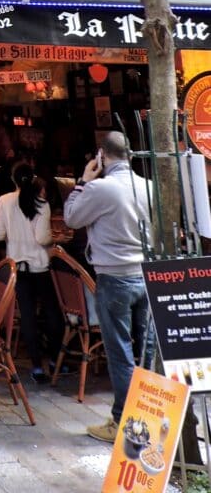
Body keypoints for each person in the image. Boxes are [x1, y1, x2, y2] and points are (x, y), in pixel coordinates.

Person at [63, 131, 154, 443]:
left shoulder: (101, 188)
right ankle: (145, 417)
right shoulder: (149, 186)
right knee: (144, 351)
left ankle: (123, 422)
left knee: (120, 353)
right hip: (146, 276)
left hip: (114, 278)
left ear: (101, 156)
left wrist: (83, 181)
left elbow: (72, 217)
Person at [0, 161, 63, 383]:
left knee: (28, 315)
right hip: (40, 266)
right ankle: (54, 360)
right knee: (52, 313)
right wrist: (55, 239)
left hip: (18, 267)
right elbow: (43, 238)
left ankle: (36, 367)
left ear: (13, 180)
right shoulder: (41, 203)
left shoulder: (4, 201)